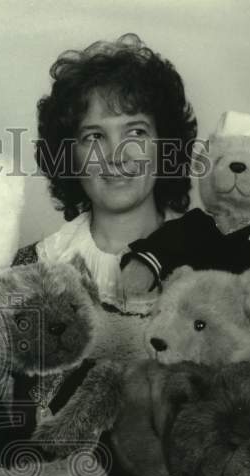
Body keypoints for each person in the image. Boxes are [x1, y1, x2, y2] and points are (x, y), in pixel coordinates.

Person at [15, 33, 197, 312]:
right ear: (69, 156)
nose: (116, 155)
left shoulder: (214, 264)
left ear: (165, 146)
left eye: (135, 132)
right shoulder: (29, 268)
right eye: (94, 136)